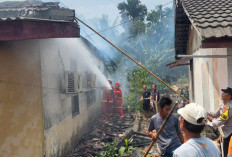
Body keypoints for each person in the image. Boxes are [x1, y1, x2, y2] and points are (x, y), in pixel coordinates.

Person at [207, 87, 232, 157]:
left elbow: (219, 122)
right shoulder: (223, 105)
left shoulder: (229, 108)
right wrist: (205, 112)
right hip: (226, 133)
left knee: (227, 154)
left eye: (224, 93)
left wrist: (211, 119)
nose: (222, 94)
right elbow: (215, 114)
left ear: (229, 96)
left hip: (230, 134)